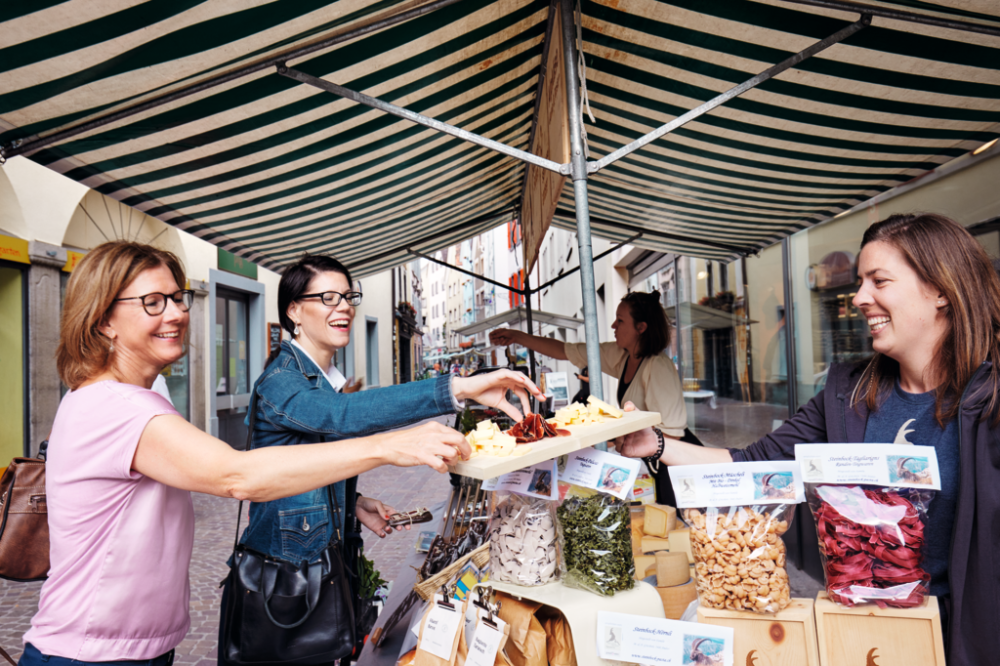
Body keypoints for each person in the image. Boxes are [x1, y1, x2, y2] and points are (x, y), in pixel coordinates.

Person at [20, 241, 537, 666]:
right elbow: (236, 474)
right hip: (87, 653)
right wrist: (400, 436)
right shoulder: (110, 406)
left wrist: (349, 499)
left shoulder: (145, 398)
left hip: (142, 649)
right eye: (153, 302)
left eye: (178, 299)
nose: (177, 313)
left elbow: (292, 452)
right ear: (103, 320)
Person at [614, 213, 1000, 666]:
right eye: (860, 282)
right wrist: (656, 444)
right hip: (858, 634)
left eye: (879, 281)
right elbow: (753, 465)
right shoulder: (847, 393)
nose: (859, 298)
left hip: (968, 639)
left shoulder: (989, 401)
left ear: (940, 290)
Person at [219, 254, 541, 664]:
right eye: (328, 297)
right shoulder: (282, 381)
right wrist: (457, 387)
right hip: (283, 587)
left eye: (348, 296)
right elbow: (343, 417)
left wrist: (351, 503)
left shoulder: (317, 380)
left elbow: (299, 466)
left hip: (314, 575)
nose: (345, 307)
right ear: (294, 310)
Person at [489, 291, 690, 503]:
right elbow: (565, 351)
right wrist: (517, 337)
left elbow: (672, 437)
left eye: (620, 321)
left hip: (669, 469)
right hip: (643, 464)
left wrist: (611, 441)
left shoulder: (658, 367)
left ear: (641, 328)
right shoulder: (625, 355)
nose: (613, 326)